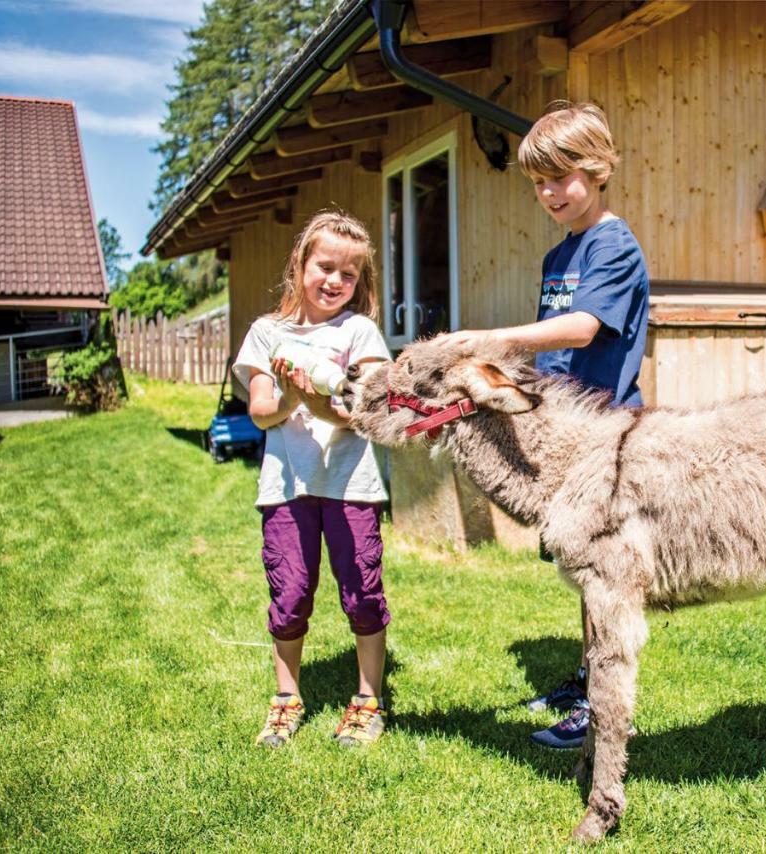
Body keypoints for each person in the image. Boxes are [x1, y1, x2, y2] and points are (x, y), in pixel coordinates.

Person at [439, 102, 650, 749]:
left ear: (598, 168)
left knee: (604, 577)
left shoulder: (612, 244)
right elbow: (554, 354)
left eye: (561, 178)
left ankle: (603, 707)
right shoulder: (559, 255)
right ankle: (585, 678)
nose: (549, 193)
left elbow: (584, 329)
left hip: (604, 440)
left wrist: (496, 337)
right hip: (564, 435)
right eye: (538, 183)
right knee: (578, 570)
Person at [233, 210, 393, 749]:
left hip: (351, 483)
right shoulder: (266, 333)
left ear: (360, 282)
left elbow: (364, 411)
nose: (334, 282)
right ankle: (286, 698)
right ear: (300, 265)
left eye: (348, 275)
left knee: (362, 591)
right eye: (325, 267)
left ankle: (368, 699)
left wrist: (315, 402)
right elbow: (259, 411)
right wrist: (290, 397)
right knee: (291, 590)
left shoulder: (359, 331)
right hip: (287, 486)